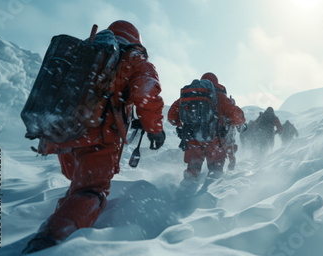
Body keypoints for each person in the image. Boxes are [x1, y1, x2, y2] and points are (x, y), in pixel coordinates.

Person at [22, 20, 165, 254]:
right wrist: (155, 129)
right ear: (136, 40)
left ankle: (61, 225)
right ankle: (49, 243)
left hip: (64, 132)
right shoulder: (134, 58)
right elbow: (148, 93)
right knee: (90, 192)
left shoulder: (89, 51)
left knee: (78, 188)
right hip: (98, 136)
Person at [168, 72, 245, 180]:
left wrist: (180, 124)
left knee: (192, 172)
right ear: (216, 83)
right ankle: (211, 192)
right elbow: (238, 115)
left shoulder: (190, 95)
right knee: (215, 173)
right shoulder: (220, 97)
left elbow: (171, 116)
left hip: (193, 140)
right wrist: (236, 122)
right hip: (215, 141)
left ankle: (185, 190)